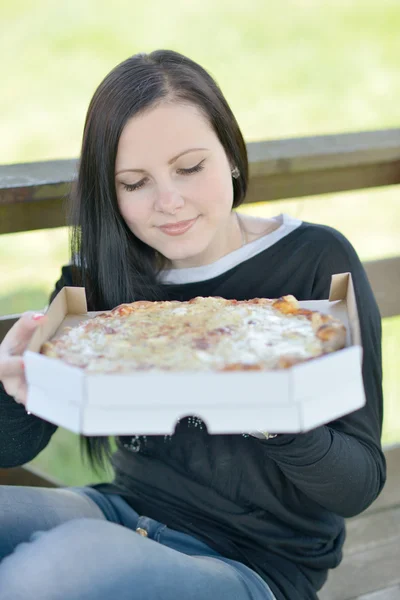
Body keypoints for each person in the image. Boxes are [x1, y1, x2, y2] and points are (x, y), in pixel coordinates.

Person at [0, 50, 386, 600]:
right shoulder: (106, 269)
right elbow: (10, 448)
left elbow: (358, 486)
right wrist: (15, 387)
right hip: (120, 512)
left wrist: (273, 406)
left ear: (230, 153)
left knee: (53, 571)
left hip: (254, 563)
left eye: (189, 168)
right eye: (134, 182)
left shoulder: (316, 260)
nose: (169, 202)